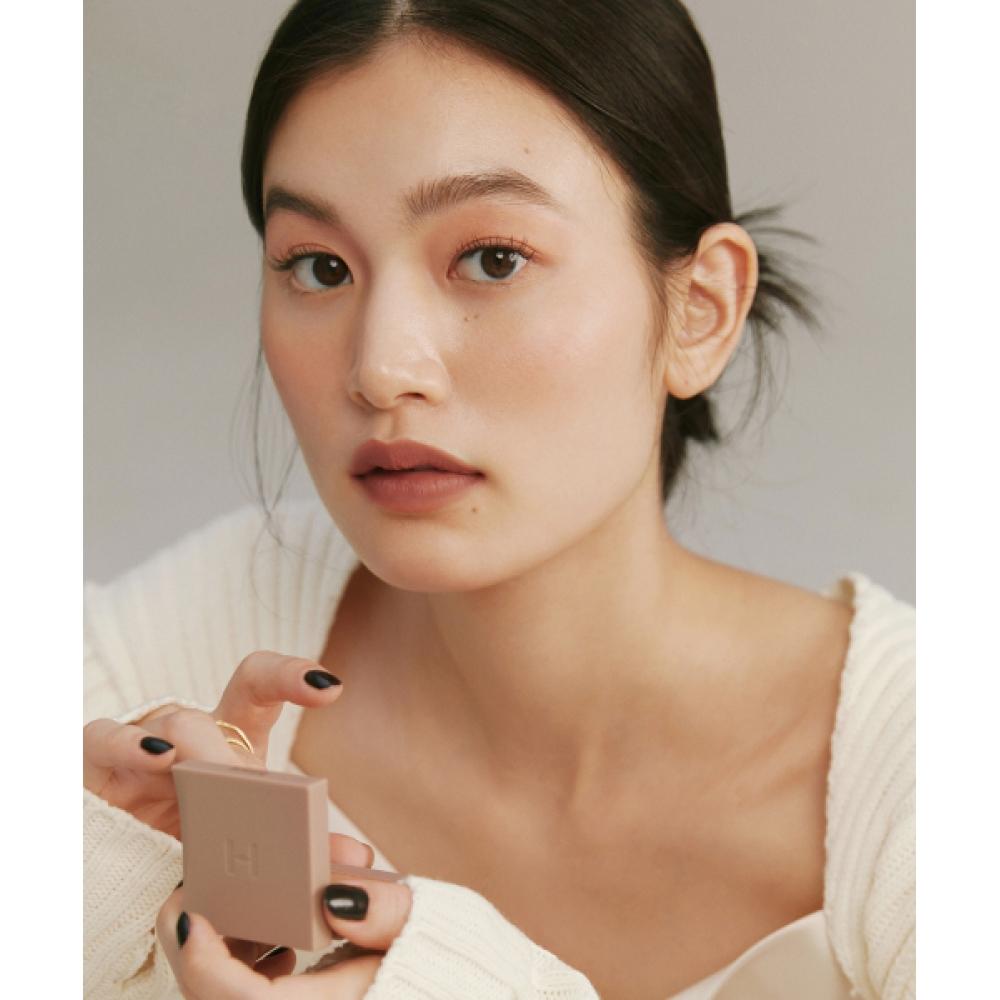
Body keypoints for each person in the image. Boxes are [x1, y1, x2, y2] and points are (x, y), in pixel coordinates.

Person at [82, 1, 915, 998]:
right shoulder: (153, 669)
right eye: (319, 266)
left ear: (700, 309)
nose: (382, 367)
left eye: (492, 259)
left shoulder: (925, 771)